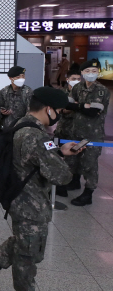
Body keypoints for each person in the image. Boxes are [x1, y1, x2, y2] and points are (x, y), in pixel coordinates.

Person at [0, 87, 83, 291]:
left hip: (19, 196)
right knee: (28, 252)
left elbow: (39, 160)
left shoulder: (24, 124)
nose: (61, 115)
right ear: (49, 109)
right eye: (60, 111)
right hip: (29, 202)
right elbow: (61, 176)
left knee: (23, 240)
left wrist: (59, 153)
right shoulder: (35, 136)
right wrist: (67, 157)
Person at [65, 59, 110, 206]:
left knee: (89, 163)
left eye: (94, 71)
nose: (91, 74)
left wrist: (78, 105)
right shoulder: (77, 87)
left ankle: (88, 192)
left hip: (92, 134)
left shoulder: (101, 90)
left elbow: (93, 111)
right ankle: (75, 182)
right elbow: (68, 104)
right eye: (88, 71)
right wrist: (83, 105)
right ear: (82, 73)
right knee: (74, 158)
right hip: (76, 130)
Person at [54, 69, 81, 197]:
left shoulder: (82, 93)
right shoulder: (62, 92)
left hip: (78, 129)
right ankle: (62, 185)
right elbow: (61, 109)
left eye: (78, 79)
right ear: (68, 79)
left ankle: (74, 181)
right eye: (74, 79)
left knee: (75, 157)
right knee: (62, 156)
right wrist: (76, 107)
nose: (76, 81)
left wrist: (75, 106)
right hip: (63, 128)